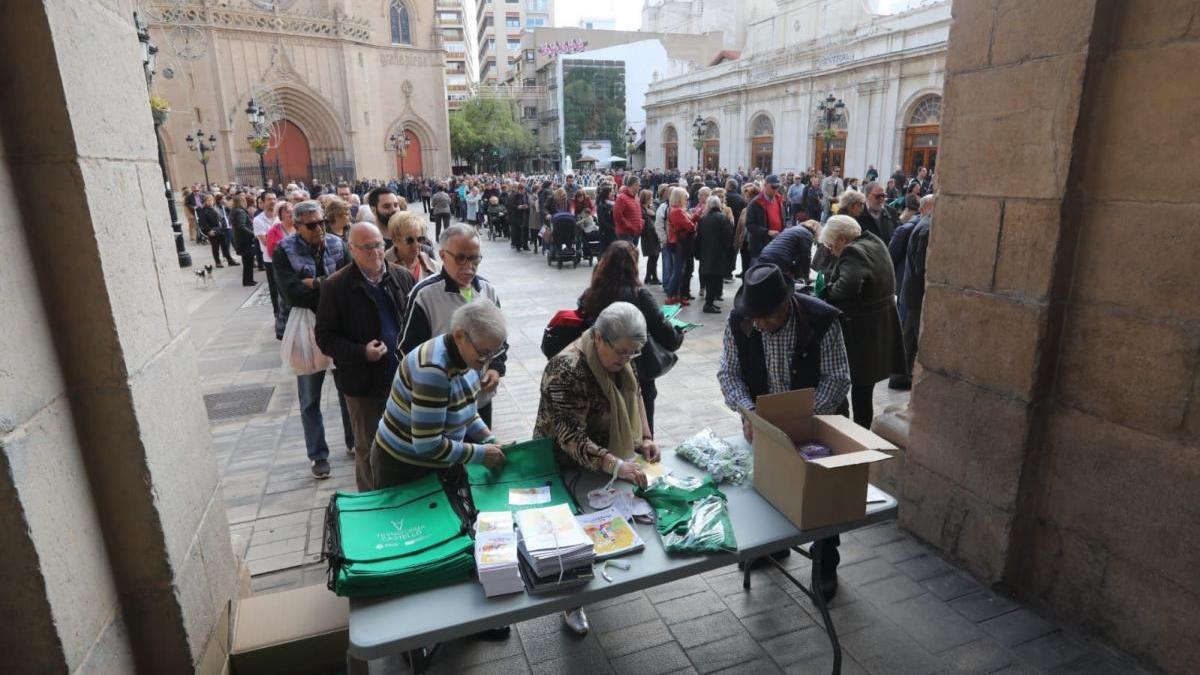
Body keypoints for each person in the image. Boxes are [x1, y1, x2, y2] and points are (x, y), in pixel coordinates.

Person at [716, 262, 851, 599]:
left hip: (819, 419)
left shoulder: (821, 321)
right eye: (754, 316)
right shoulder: (741, 321)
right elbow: (728, 373)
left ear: (786, 304)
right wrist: (747, 411)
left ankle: (825, 562)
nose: (759, 324)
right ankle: (772, 546)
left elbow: (837, 378)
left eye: (767, 317)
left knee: (822, 496)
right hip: (762, 424)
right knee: (767, 486)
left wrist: (797, 419)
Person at [536, 301, 661, 635]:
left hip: (605, 460)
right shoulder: (568, 369)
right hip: (561, 462)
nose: (626, 360)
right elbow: (568, 435)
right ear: (600, 338)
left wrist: (644, 438)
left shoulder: (621, 356)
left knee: (605, 526)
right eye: (621, 352)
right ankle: (570, 602)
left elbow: (635, 397)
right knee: (570, 534)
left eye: (633, 353)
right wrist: (616, 464)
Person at [314, 223, 416, 491]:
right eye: (367, 247)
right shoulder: (336, 286)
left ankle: (406, 498)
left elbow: (417, 323)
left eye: (379, 245)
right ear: (352, 249)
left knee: (409, 442)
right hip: (364, 385)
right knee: (369, 447)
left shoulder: (402, 277)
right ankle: (372, 505)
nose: (375, 252)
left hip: (404, 381)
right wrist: (362, 352)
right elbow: (325, 338)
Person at [373, 301, 507, 488]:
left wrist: (489, 439)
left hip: (436, 461)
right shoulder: (433, 371)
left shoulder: (469, 357)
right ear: (460, 336)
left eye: (494, 353)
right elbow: (427, 444)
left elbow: (465, 408)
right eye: (484, 353)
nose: (487, 361)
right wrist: (480, 454)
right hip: (405, 466)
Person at [273, 200, 352, 479]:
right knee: (309, 397)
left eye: (321, 222)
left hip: (339, 326)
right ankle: (318, 455)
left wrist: (316, 284)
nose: (319, 228)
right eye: (311, 225)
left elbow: (350, 283)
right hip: (304, 330)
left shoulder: (337, 244)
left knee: (347, 389)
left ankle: (353, 441)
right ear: (296, 227)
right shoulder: (283, 251)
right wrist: (329, 286)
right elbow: (293, 293)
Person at [400, 224, 506, 428]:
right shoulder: (424, 295)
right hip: (442, 405)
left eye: (474, 258)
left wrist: (495, 368)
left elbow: (499, 341)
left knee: (481, 455)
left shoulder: (487, 290)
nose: (469, 266)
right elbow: (407, 352)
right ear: (442, 255)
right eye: (460, 258)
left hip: (480, 399)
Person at [578, 242, 683, 433]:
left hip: (597, 375)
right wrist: (679, 331)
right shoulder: (640, 296)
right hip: (637, 379)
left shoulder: (590, 295)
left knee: (604, 434)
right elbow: (670, 339)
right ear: (634, 266)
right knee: (642, 436)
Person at [817, 216, 905, 429]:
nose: (830, 250)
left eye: (831, 244)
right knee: (865, 386)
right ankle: (859, 431)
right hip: (881, 323)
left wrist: (826, 290)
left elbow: (847, 287)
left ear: (842, 239)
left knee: (857, 385)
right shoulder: (874, 241)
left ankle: (854, 432)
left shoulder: (852, 251)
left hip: (863, 330)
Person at [695, 196, 734, 314]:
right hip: (719, 254)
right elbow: (728, 239)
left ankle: (710, 303)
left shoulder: (703, 219)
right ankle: (708, 304)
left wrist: (697, 253)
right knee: (715, 279)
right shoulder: (723, 219)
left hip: (706, 253)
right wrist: (729, 254)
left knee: (710, 278)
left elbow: (698, 238)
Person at [744, 174, 786, 267]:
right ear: (765, 185)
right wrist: (767, 232)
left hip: (776, 244)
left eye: (777, 187)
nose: (776, 189)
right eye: (773, 187)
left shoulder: (779, 200)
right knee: (758, 274)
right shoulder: (755, 202)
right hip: (760, 246)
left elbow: (783, 220)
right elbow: (750, 225)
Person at [384, 211, 439, 282]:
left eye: (420, 239)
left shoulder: (433, 266)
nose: (416, 244)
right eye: (409, 240)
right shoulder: (383, 267)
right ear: (395, 240)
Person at [663, 187, 695, 305]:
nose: (687, 200)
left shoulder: (674, 210)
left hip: (676, 243)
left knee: (679, 271)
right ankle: (671, 296)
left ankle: (676, 296)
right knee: (678, 271)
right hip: (678, 244)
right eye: (685, 197)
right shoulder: (677, 211)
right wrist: (696, 216)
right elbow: (690, 226)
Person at [254, 191, 281, 314]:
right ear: (263, 202)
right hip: (270, 259)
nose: (273, 201)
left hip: (285, 257)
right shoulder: (258, 220)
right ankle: (277, 313)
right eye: (269, 199)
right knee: (274, 287)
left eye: (274, 198)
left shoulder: (281, 217)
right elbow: (266, 242)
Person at [198, 194, 237, 267]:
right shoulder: (203, 210)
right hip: (212, 231)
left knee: (225, 246)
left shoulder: (214, 207)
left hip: (221, 230)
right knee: (215, 247)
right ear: (205, 201)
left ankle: (230, 260)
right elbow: (202, 222)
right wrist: (209, 231)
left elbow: (220, 217)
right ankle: (217, 262)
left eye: (211, 200)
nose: (210, 202)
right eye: (208, 200)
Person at [230, 194, 257, 285]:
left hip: (241, 240)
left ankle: (249, 280)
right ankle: (247, 281)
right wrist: (253, 233)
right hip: (245, 240)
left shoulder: (235, 211)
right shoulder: (240, 212)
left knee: (247, 262)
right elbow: (241, 227)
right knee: (248, 262)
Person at [612, 174, 643, 247]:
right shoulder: (621, 198)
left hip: (635, 232)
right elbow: (617, 216)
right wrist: (629, 225)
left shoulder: (636, 198)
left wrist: (641, 224)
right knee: (627, 256)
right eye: (638, 185)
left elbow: (638, 213)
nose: (639, 187)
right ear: (633, 185)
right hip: (625, 233)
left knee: (633, 255)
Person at [638, 188, 660, 285]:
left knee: (654, 257)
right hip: (648, 236)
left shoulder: (648, 208)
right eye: (650, 197)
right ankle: (651, 277)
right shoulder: (642, 210)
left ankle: (650, 277)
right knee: (653, 256)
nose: (651, 199)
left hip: (652, 235)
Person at [506, 182, 530, 251]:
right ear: (519, 189)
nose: (524, 191)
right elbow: (511, 206)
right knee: (517, 232)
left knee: (525, 231)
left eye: (524, 190)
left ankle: (525, 245)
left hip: (525, 215)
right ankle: (518, 245)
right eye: (523, 190)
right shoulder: (514, 196)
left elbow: (528, 203)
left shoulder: (526, 195)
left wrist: (526, 206)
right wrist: (518, 207)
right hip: (517, 216)